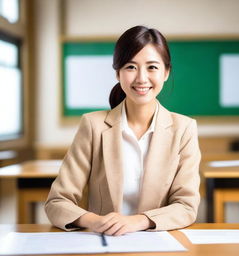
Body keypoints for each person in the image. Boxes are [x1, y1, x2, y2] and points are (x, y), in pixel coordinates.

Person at [45, 25, 201, 236]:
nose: (141, 78)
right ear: (118, 73)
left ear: (166, 72)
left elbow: (186, 207)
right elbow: (57, 202)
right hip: (104, 241)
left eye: (152, 67)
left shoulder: (184, 129)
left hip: (158, 244)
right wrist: (96, 221)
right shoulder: (93, 125)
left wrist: (139, 221)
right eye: (131, 67)